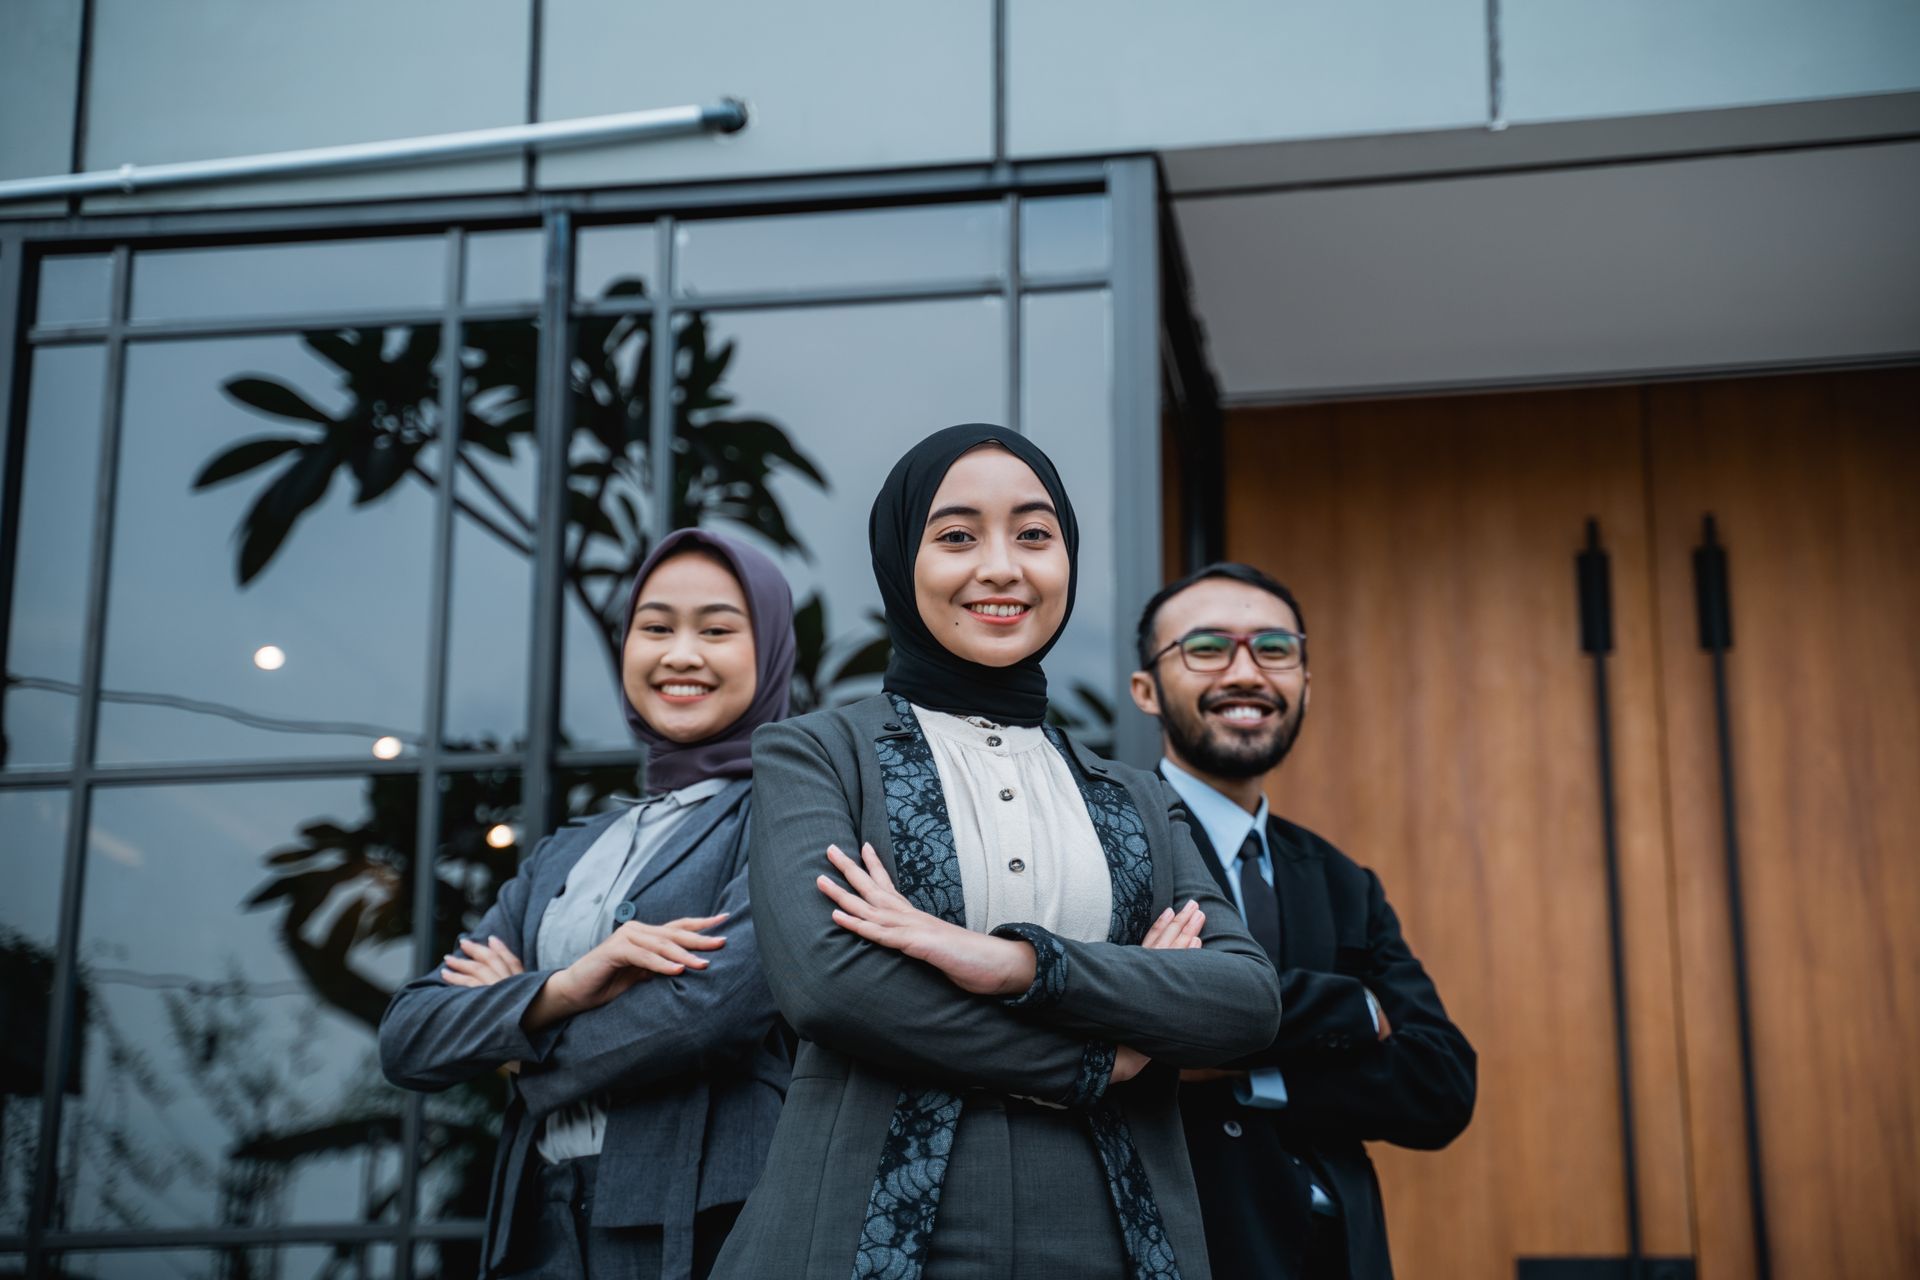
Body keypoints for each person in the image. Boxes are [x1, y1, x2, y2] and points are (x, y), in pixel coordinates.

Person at [711, 424, 1282, 1280]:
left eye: (1034, 534)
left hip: (1117, 1240)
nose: (1003, 568)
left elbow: (1241, 1001)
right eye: (956, 536)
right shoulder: (817, 754)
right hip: (865, 1235)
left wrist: (1020, 966)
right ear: (903, 559)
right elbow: (831, 987)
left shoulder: (1134, 795)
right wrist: (1100, 1055)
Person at [378, 528, 797, 1280]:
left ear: (768, 649)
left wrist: (518, 1051)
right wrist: (566, 987)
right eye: (656, 626)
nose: (680, 654)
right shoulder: (568, 851)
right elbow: (409, 1037)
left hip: (702, 1219)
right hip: (538, 1217)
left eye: (717, 629)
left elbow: (712, 1013)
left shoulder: (786, 814)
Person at [1129, 562, 1476, 1280]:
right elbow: (1125, 1024)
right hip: (1179, 1250)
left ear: (1305, 685)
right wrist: (1351, 1007)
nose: (1246, 672)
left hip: (1339, 1258)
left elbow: (1441, 1084)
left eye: (1275, 649)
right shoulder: (1110, 842)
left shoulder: (1345, 880)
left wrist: (1241, 1069)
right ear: (1146, 690)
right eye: (1207, 647)